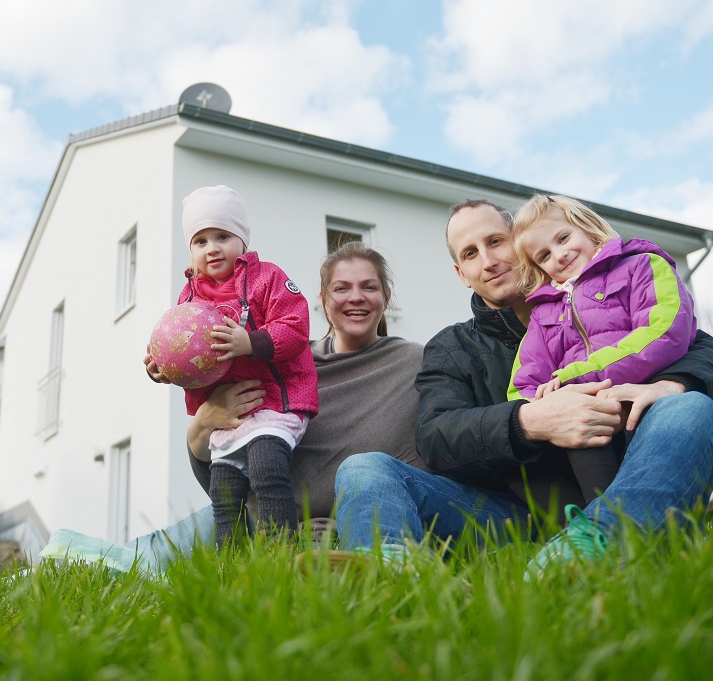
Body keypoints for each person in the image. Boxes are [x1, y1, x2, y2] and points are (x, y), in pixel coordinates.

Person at [334, 199, 713, 577]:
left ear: (521, 244)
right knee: (363, 468)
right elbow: (436, 438)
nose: (490, 261)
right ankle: (394, 572)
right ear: (461, 274)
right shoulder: (453, 347)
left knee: (690, 408)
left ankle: (596, 541)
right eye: (471, 254)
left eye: (496, 241)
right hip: (510, 518)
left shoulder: (606, 295)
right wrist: (531, 421)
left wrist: (670, 386)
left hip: (628, 482)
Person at [39, 240, 424, 574]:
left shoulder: (414, 364)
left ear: (385, 297)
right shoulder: (282, 369)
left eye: (368, 287)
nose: (355, 297)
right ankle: (46, 566)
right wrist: (197, 414)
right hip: (257, 518)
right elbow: (219, 463)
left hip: (343, 532)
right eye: (342, 288)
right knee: (144, 556)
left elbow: (422, 466)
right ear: (322, 301)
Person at [144, 185, 319, 545]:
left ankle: (279, 553)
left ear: (242, 239)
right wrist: (162, 368)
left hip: (273, 402)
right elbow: (182, 349)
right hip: (228, 415)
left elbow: (296, 326)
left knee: (267, 468)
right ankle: (231, 564)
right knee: (224, 493)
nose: (212, 248)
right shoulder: (188, 296)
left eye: (222, 236)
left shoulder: (267, 278)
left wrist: (249, 342)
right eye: (200, 241)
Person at [509, 194, 697, 504]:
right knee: (589, 454)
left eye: (563, 237)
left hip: (645, 402)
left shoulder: (641, 265)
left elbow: (664, 332)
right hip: (589, 423)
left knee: (658, 482)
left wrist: (573, 378)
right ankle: (605, 529)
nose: (559, 254)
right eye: (544, 255)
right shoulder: (543, 315)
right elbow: (521, 387)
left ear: (588, 228)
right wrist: (550, 405)